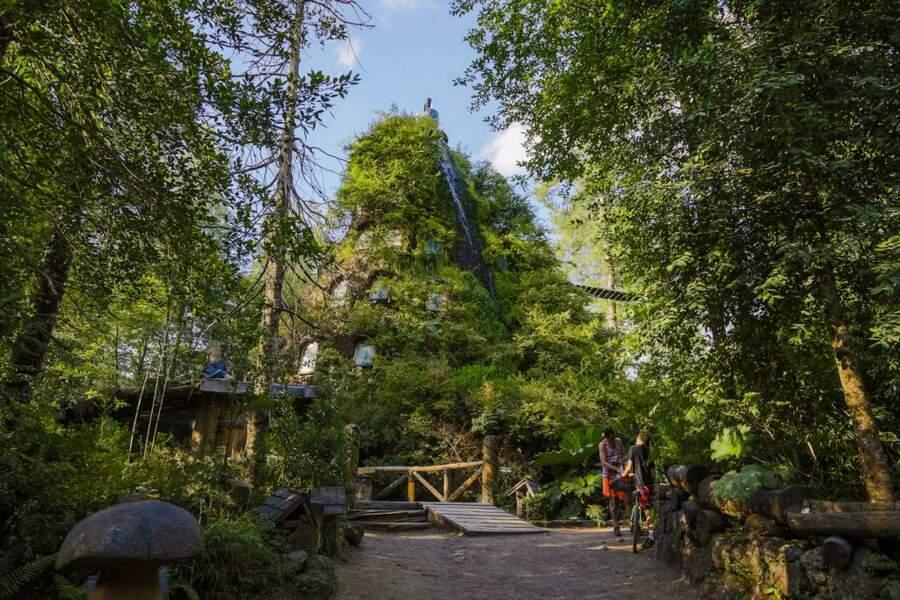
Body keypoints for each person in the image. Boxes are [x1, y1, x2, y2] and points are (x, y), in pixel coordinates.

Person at [599, 427, 627, 536]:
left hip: (620, 473)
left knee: (626, 498)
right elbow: (603, 462)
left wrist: (624, 465)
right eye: (610, 438)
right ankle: (616, 526)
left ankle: (633, 524)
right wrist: (615, 468)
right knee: (613, 501)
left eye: (613, 437)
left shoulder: (619, 441)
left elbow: (624, 455)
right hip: (609, 475)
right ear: (606, 437)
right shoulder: (602, 445)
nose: (612, 439)